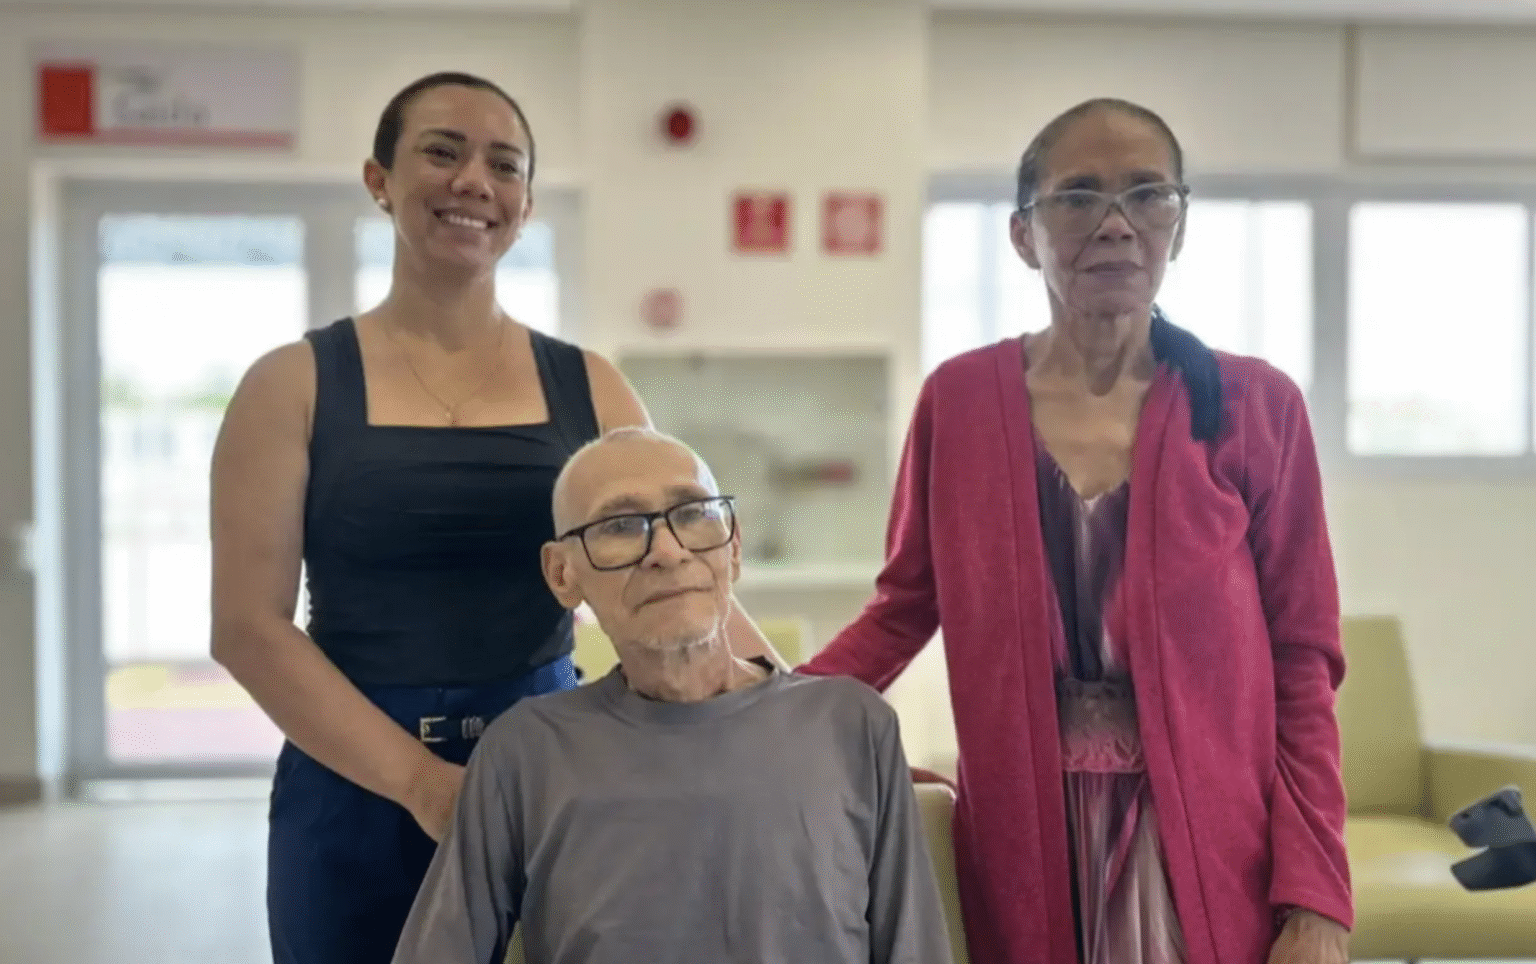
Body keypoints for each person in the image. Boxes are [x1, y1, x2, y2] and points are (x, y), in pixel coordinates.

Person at [209, 72, 782, 964]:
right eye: (442, 151)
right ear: (379, 179)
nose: (474, 180)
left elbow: (679, 573)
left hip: (558, 770)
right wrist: (424, 786)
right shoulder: (291, 385)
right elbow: (248, 629)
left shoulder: (589, 385)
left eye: (503, 164)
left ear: (523, 205)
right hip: (353, 786)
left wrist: (801, 721)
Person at [799, 98, 1353, 964]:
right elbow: (904, 608)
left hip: (1212, 844)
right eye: (1079, 197)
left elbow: (1303, 663)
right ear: (1023, 235)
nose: (1117, 224)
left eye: (1147, 195)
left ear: (1180, 222)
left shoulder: (1255, 405)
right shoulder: (960, 402)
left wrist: (1317, 898)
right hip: (1026, 839)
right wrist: (774, 713)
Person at [391, 428, 955, 964]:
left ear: (732, 548)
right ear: (562, 574)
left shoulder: (853, 726)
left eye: (692, 514)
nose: (666, 550)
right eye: (619, 524)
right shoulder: (526, 752)